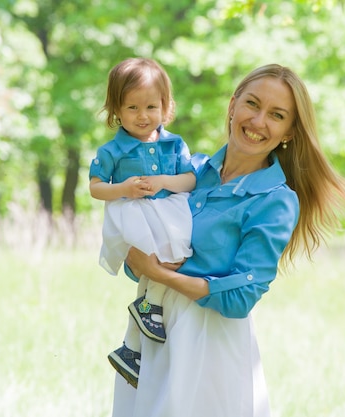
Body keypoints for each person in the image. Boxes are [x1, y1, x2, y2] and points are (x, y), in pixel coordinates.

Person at [113, 63, 345, 417]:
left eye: (276, 115)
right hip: (150, 334)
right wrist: (138, 256)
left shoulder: (274, 199)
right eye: (252, 104)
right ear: (232, 106)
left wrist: (163, 274)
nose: (258, 121)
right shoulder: (189, 169)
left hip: (207, 342)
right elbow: (137, 252)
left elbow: (243, 296)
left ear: (289, 132)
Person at [89, 58, 196, 389]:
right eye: (132, 107)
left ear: (166, 107)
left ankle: (131, 348)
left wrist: (165, 181)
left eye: (152, 106)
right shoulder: (113, 149)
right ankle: (144, 316)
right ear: (116, 110)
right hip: (132, 212)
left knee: (172, 257)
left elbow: (190, 180)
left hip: (168, 211)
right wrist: (124, 188)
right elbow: (95, 187)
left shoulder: (174, 144)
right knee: (153, 259)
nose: (143, 115)